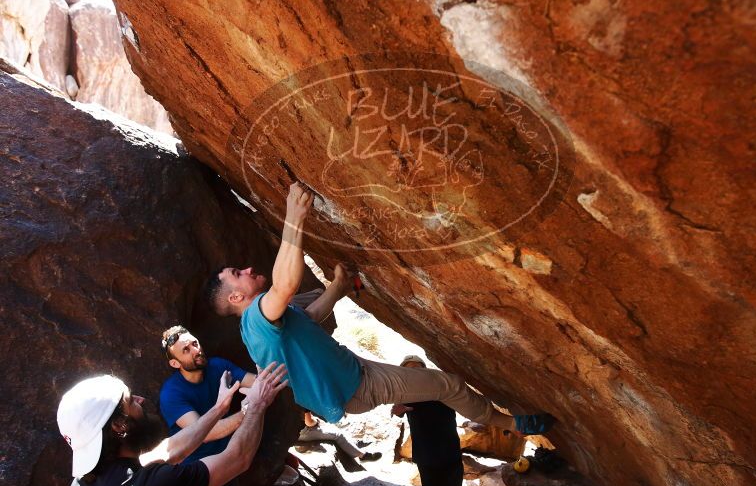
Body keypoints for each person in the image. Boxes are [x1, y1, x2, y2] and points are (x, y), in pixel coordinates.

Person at [203, 182, 555, 435]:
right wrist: (294, 216)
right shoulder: (255, 318)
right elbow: (285, 285)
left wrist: (338, 289)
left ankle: (508, 422)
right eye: (238, 274)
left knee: (302, 306)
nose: (247, 269)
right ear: (236, 298)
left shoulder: (262, 325)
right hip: (358, 386)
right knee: (449, 386)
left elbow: (306, 319)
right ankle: (514, 424)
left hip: (352, 372)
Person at [56, 363, 287, 486]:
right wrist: (258, 404)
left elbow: (169, 450)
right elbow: (238, 457)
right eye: (130, 401)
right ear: (118, 425)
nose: (140, 399)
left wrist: (218, 409)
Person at [159, 325, 256, 486]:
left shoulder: (217, 366)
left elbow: (255, 383)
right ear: (175, 363)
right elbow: (205, 434)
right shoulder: (171, 393)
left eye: (195, 343)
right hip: (192, 472)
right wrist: (249, 410)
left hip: (223, 458)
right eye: (186, 350)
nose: (196, 350)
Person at [392, 355, 463, 486]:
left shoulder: (441, 391)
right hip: (426, 460)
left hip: (448, 459)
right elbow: (397, 409)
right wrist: (398, 409)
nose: (415, 372)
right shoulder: (406, 394)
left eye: (418, 368)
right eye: (410, 369)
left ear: (426, 371)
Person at [298, 411, 382, 463]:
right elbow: (309, 422)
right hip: (303, 433)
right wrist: (315, 420)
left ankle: (354, 445)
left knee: (335, 428)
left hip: (301, 431)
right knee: (338, 435)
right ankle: (362, 456)